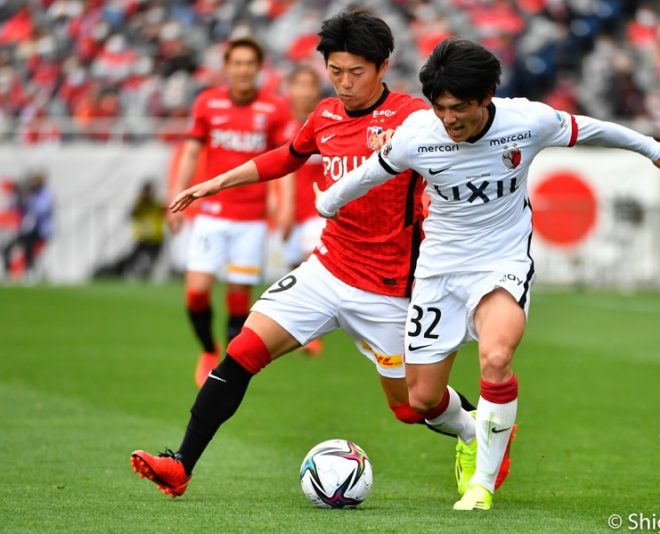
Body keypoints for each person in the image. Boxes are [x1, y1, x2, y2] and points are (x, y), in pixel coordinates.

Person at [314, 38, 660, 511]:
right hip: (438, 270)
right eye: (441, 108)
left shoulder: (526, 121)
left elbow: (592, 129)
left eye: (460, 108)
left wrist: (654, 149)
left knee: (496, 356)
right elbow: (372, 172)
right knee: (423, 401)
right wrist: (327, 202)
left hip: (501, 262)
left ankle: (482, 485)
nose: (449, 119)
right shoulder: (417, 133)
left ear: (486, 97)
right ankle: (478, 432)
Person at [131, 10, 488, 500]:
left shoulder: (413, 118)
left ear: (383, 66)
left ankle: (476, 430)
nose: (344, 83)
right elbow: (286, 156)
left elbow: (461, 152)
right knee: (242, 352)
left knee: (410, 408)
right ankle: (180, 465)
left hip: (388, 289)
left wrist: (417, 172)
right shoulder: (324, 115)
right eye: (335, 71)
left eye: (355, 73)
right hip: (326, 268)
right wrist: (215, 182)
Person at [167, 37, 294, 387]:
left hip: (251, 220)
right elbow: (192, 152)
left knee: (239, 295)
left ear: (258, 68)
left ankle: (224, 368)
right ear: (228, 67)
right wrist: (177, 196)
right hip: (212, 213)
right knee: (196, 291)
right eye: (236, 63)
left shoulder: (275, 108)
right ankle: (208, 348)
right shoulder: (208, 103)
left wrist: (283, 206)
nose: (243, 70)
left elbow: (284, 162)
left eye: (249, 63)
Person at [280, 64, 327, 356]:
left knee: (312, 266)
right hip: (291, 211)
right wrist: (280, 207)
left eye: (310, 85)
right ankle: (302, 330)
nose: (304, 91)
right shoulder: (281, 124)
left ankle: (312, 334)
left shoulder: (326, 121)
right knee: (293, 269)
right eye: (299, 85)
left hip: (318, 212)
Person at [2, 170, 53, 280]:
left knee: (28, 249)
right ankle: (9, 273)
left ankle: (29, 271)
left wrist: (28, 204)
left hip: (39, 231)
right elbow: (15, 209)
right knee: (8, 248)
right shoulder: (29, 196)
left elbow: (40, 210)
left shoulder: (44, 195)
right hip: (27, 231)